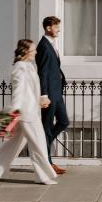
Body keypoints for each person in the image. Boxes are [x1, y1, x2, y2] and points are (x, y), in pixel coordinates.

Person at [0, 39, 58, 185]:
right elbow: (18, 92)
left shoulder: (28, 66)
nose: (36, 52)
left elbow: (29, 91)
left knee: (12, 144)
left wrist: (38, 101)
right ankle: (43, 176)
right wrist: (15, 111)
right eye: (33, 50)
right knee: (38, 144)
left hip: (29, 110)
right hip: (25, 113)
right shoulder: (20, 68)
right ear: (25, 52)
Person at [36, 16, 69, 175]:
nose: (59, 30)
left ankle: (44, 143)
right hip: (49, 94)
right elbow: (42, 71)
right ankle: (47, 163)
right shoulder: (43, 45)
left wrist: (60, 75)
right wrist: (43, 94)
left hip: (57, 92)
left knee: (64, 121)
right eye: (56, 27)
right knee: (47, 127)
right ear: (48, 27)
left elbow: (53, 66)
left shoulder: (51, 44)